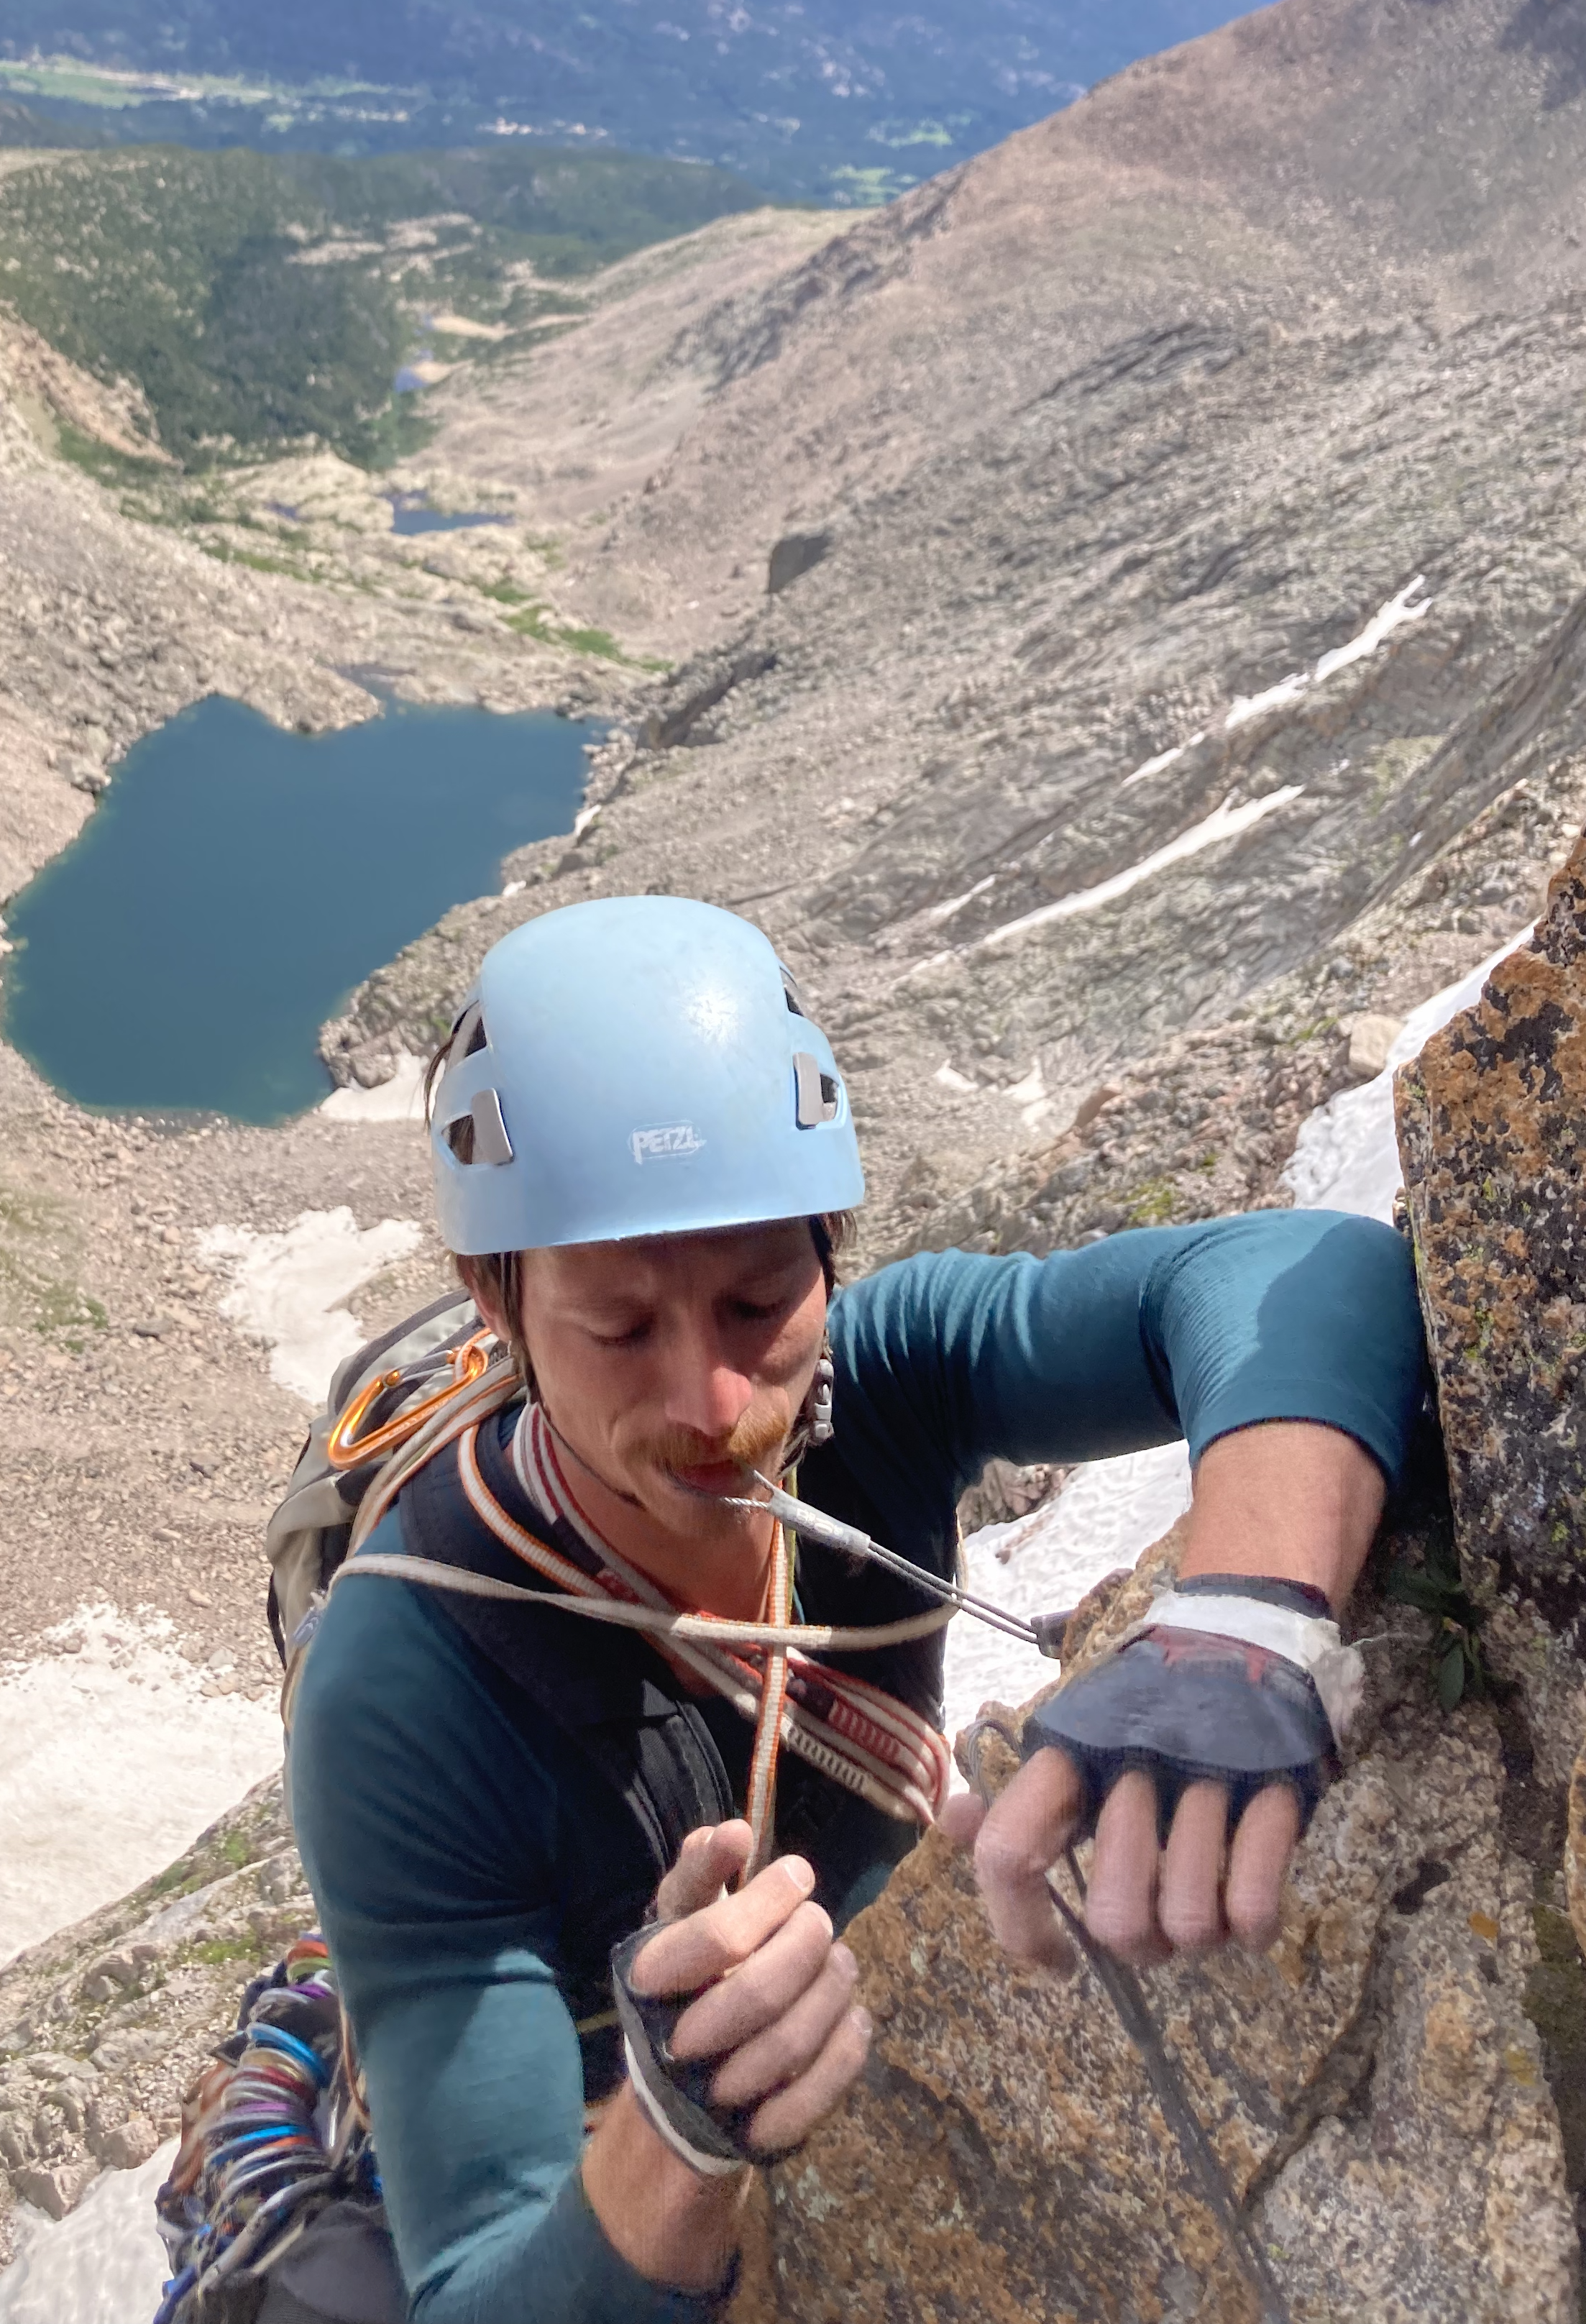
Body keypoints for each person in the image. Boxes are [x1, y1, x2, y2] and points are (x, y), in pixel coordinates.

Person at [290, 896, 1425, 2323]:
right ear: (494, 1307)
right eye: (621, 1329)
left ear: (829, 1258)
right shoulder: (412, 1691)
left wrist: (1248, 1620)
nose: (711, 1402)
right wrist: (675, 2129)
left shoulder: (881, 1385)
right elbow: (472, 2290)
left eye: (761, 1301)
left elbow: (1303, 1272)